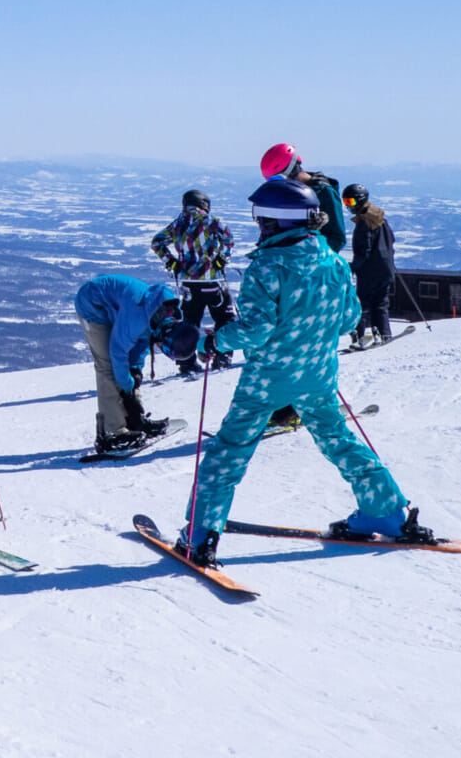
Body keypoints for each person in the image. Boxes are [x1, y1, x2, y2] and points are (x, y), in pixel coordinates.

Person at [174, 176, 432, 565]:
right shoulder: (333, 261)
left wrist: (215, 340)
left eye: (261, 218)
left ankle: (200, 535)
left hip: (268, 379)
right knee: (338, 439)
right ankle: (387, 512)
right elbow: (348, 320)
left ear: (276, 221)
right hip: (318, 373)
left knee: (229, 451)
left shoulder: (267, 266)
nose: (258, 225)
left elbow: (256, 330)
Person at [258, 143, 347, 429]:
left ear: (294, 169)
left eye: (279, 179)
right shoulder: (289, 194)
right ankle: (285, 405)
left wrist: (312, 248)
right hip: (290, 274)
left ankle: (302, 405)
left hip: (314, 278)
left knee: (306, 346)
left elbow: (337, 238)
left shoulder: (323, 192)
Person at [71, 274, 179, 458]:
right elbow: (118, 351)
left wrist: (135, 370)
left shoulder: (159, 312)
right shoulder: (138, 316)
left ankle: (134, 419)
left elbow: (142, 342)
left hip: (112, 306)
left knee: (127, 370)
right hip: (91, 305)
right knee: (107, 365)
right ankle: (113, 432)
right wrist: (128, 384)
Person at [149, 189, 237, 376]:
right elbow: (229, 239)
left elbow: (157, 242)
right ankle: (222, 357)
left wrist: (171, 262)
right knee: (224, 317)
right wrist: (222, 259)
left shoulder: (178, 224)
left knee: (189, 321)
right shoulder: (212, 221)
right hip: (213, 279)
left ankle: (187, 363)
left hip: (188, 281)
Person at [343, 183, 396, 346]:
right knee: (380, 302)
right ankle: (384, 332)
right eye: (345, 202)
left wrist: (352, 267)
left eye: (350, 202)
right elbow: (391, 239)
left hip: (370, 270)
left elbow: (363, 250)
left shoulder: (364, 222)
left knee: (362, 303)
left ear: (360, 200)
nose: (348, 206)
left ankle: (360, 336)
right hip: (386, 267)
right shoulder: (379, 218)